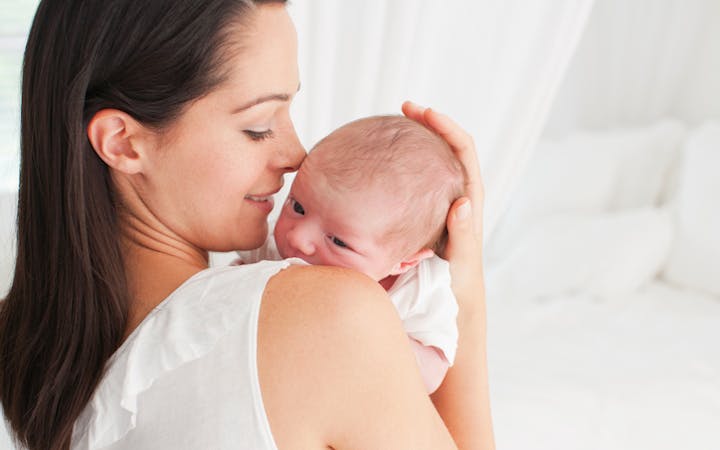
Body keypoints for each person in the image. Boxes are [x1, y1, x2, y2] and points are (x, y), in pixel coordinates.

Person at [0, 1, 494, 449]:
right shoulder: (332, 314)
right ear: (124, 143)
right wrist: (464, 292)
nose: (297, 155)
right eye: (258, 126)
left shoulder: (24, 348)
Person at [235, 114, 466, 394]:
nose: (298, 238)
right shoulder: (272, 247)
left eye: (338, 241)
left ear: (404, 262)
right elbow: (229, 287)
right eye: (298, 207)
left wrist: (373, 339)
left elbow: (433, 370)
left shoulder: (418, 290)